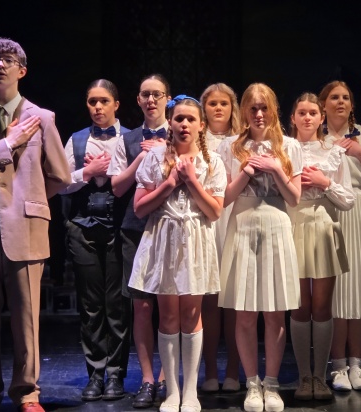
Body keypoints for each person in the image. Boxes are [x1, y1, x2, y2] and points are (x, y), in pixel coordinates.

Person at [0, 38, 70, 412]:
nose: (0, 65)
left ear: (22, 69)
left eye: (7, 59)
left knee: (26, 313)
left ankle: (27, 391)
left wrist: (32, 199)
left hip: (26, 224)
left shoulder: (41, 118)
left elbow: (60, 175)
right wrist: (7, 144)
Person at [128, 95, 227, 412]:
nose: (184, 124)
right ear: (170, 122)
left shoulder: (212, 161)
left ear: (201, 125)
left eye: (191, 119)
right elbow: (139, 207)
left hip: (195, 238)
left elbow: (215, 212)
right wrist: (170, 183)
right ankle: (171, 391)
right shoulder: (156, 157)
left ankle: (190, 391)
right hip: (164, 237)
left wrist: (192, 181)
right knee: (168, 315)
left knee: (192, 315)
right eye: (179, 118)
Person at [217, 83, 302, 412]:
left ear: (273, 109)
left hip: (276, 225)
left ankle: (272, 383)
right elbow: (224, 198)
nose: (259, 114)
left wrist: (276, 169)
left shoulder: (290, 146)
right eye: (252, 108)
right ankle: (252, 383)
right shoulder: (230, 147)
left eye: (264, 107)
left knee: (276, 312)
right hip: (243, 225)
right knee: (245, 312)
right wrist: (247, 171)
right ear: (244, 112)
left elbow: (294, 198)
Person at [61, 79, 131, 401]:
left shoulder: (130, 138)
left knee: (117, 303)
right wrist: (87, 173)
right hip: (83, 226)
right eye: (92, 101)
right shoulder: (76, 140)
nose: (98, 107)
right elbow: (61, 183)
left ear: (116, 104)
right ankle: (96, 373)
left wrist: (112, 169)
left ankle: (116, 374)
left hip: (118, 227)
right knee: (90, 305)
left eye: (104, 101)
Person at [287, 92, 355, 401]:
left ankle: (320, 376)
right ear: (293, 117)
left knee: (322, 306)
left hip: (324, 226)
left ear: (321, 117)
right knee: (300, 306)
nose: (307, 117)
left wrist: (324, 183)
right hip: (293, 226)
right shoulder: (285, 150)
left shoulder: (334, 152)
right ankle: (304, 376)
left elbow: (348, 200)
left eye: (312, 112)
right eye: (301, 112)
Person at [318, 80, 361, 391]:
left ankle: (357, 364)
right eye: (334, 97)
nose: (340, 102)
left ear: (352, 104)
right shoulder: (316, 137)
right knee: (336, 290)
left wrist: (358, 150)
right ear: (323, 104)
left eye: (345, 97)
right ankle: (338, 366)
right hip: (329, 210)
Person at [108, 74, 169, 408]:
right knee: (142, 306)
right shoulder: (127, 139)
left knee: (170, 306)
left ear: (167, 98)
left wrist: (163, 151)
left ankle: (167, 377)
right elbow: (117, 187)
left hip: (172, 227)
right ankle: (147, 378)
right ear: (138, 100)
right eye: (145, 94)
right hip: (135, 228)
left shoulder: (180, 132)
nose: (151, 100)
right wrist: (141, 159)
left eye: (157, 94)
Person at [199, 83, 241, 393]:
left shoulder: (243, 141)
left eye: (223, 103)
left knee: (236, 301)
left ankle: (234, 371)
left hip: (235, 219)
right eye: (212, 103)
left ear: (232, 107)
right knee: (210, 300)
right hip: (208, 219)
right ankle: (210, 369)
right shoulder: (196, 141)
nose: (218, 108)